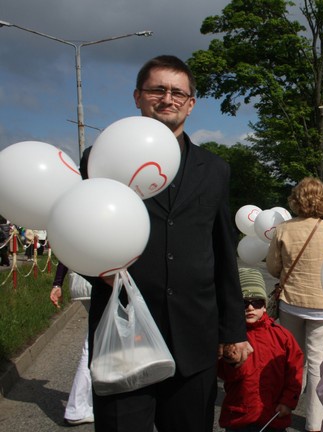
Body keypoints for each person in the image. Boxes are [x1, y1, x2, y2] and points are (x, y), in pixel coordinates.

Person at [80, 55, 252, 432]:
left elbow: (223, 251)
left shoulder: (215, 169)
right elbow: (78, 232)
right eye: (158, 89)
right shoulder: (101, 158)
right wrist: (97, 274)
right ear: (138, 96)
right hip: (125, 336)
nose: (167, 98)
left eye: (178, 92)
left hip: (195, 338)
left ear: (191, 103)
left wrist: (234, 329)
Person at [266, 177, 323, 432]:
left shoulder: (284, 229)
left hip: (292, 303)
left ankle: (282, 412)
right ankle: (314, 424)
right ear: (322, 200)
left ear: (296, 199)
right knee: (318, 364)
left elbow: (274, 267)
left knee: (292, 361)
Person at [219, 267, 304, 432]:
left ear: (265, 306)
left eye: (257, 303)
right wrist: (231, 360)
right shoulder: (229, 338)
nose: (250, 308)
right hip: (240, 417)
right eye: (244, 303)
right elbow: (225, 375)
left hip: (274, 416)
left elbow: (294, 372)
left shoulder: (282, 336)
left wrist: (288, 401)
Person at [50, 262, 94, 425]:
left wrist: (57, 283)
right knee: (94, 343)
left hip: (83, 283)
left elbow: (64, 252)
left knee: (97, 340)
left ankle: (87, 401)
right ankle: (77, 407)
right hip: (100, 282)